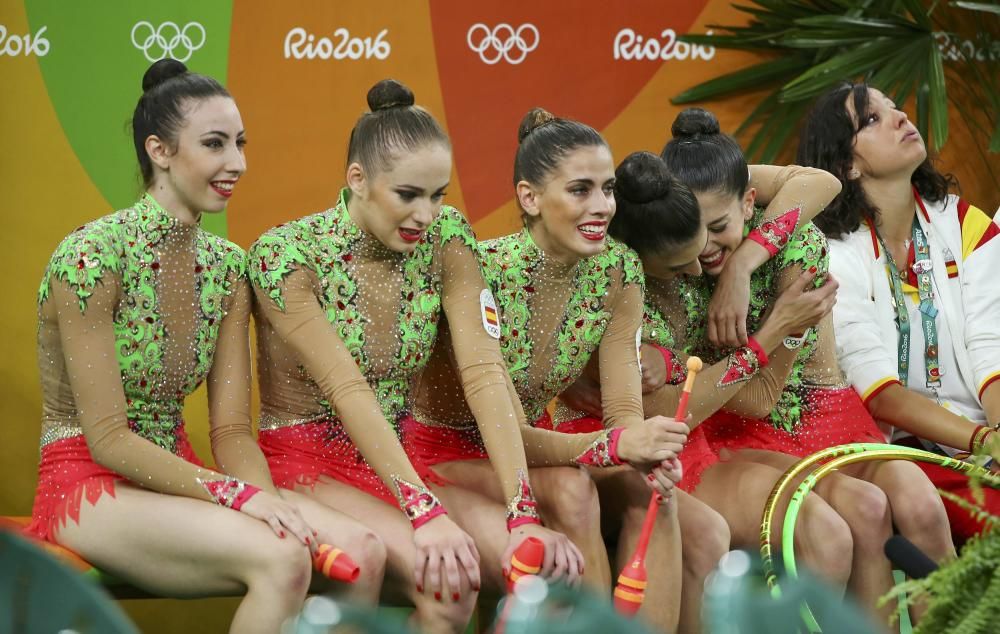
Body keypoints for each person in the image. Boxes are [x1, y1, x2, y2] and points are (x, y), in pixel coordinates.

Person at [25, 60, 382, 634]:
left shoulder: (226, 268)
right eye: (214, 144)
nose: (236, 163)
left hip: (182, 475)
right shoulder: (91, 256)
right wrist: (241, 498)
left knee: (358, 553)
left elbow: (232, 433)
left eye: (239, 143)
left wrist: (270, 501)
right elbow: (109, 439)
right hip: (88, 481)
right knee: (283, 557)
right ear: (159, 151)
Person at [562, 108, 954, 623]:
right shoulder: (659, 266)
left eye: (719, 227)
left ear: (750, 204)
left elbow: (816, 182)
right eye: (693, 234)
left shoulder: (796, 246)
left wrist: (746, 261)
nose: (703, 251)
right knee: (847, 521)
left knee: (914, 507)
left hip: (815, 413)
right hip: (728, 422)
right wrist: (768, 333)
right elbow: (744, 400)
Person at [248, 81, 578, 633]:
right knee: (450, 585)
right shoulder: (286, 254)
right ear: (358, 179)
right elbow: (347, 389)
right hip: (306, 465)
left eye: (438, 195)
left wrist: (523, 514)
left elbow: (484, 372)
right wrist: (424, 512)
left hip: (398, 461)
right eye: (408, 195)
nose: (425, 213)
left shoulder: (446, 237)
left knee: (537, 570)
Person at [402, 108, 690, 631]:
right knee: (573, 489)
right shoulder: (480, 269)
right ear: (529, 198)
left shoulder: (618, 267)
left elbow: (622, 407)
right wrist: (616, 446)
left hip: (537, 447)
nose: (602, 206)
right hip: (444, 452)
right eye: (581, 190)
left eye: (608, 190)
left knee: (657, 489)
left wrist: (642, 448)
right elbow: (512, 433)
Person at [798, 82, 1000, 540]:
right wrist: (981, 441)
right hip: (904, 452)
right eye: (871, 119)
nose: (900, 118)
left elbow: (990, 345)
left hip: (986, 430)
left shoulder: (966, 224)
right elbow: (878, 390)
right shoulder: (830, 255)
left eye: (895, 107)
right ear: (846, 165)